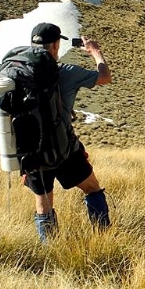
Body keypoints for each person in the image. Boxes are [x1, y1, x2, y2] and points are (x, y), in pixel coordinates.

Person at [26, 22, 113, 242]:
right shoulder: (66, 72)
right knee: (92, 188)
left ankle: (50, 251)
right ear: (55, 45)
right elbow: (104, 77)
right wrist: (95, 52)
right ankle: (103, 239)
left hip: (32, 153)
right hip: (64, 148)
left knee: (43, 206)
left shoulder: (19, 75)